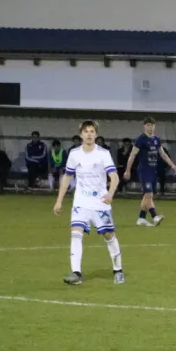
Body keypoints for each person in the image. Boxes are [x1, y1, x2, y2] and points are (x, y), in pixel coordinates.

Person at [52, 120, 124, 286]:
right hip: (81, 201)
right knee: (76, 233)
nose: (89, 134)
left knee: (108, 235)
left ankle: (118, 270)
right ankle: (76, 273)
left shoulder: (103, 154)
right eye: (86, 131)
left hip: (100, 202)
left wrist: (110, 194)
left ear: (96, 135)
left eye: (92, 131)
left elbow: (114, 177)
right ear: (81, 135)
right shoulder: (74, 154)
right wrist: (59, 201)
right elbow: (67, 177)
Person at [124, 117, 176, 226]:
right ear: (144, 126)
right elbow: (132, 155)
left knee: (147, 195)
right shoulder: (141, 139)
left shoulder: (156, 139)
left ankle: (141, 218)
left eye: (152, 125)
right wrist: (127, 170)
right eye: (148, 125)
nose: (151, 127)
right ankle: (155, 217)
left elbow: (162, 154)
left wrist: (172, 165)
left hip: (152, 171)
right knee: (149, 194)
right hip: (144, 171)